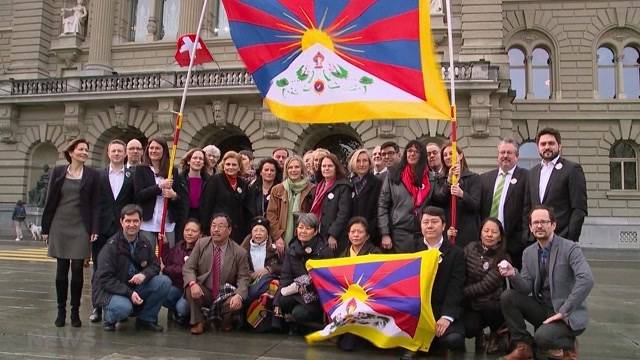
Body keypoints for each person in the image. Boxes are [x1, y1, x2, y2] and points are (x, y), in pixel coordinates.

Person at [499, 206, 594, 359]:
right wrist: (513, 274)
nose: (539, 226)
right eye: (535, 223)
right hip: (543, 308)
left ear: (553, 225)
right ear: (530, 227)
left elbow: (587, 279)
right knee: (508, 296)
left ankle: (568, 344)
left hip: (566, 313)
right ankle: (524, 346)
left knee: (542, 337)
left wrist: (565, 310)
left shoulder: (570, 248)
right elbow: (525, 288)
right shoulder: (528, 252)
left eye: (544, 221)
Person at [42, 138, 100, 328]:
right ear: (71, 152)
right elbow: (50, 199)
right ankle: (61, 312)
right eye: (81, 149)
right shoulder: (59, 171)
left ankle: (75, 312)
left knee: (77, 271)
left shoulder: (92, 174)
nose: (84, 152)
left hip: (81, 226)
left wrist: (94, 228)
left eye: (86, 150)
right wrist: (45, 227)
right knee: (61, 271)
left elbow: (95, 204)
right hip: (60, 224)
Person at [92, 204, 172, 332]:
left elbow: (155, 265)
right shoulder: (111, 246)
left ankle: (146, 319)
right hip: (113, 291)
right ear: (121, 222)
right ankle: (110, 317)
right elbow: (105, 279)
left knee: (164, 282)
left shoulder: (144, 242)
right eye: (128, 221)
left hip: (133, 288)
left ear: (141, 222)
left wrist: (144, 275)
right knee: (123, 308)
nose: (132, 225)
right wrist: (129, 293)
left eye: (135, 221)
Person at [403, 206, 465, 359]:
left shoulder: (456, 253)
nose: (429, 226)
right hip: (416, 311)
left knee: (454, 339)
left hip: (441, 309)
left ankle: (437, 344)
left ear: (443, 226)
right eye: (425, 222)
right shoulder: (411, 248)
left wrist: (447, 316)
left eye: (434, 222)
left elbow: (456, 287)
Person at [183, 213, 250, 335]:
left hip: (225, 293)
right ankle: (199, 322)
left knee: (234, 303)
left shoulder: (240, 252)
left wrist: (239, 295)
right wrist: (193, 283)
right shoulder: (201, 244)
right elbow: (188, 268)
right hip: (206, 291)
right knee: (189, 288)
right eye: (213, 226)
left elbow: (244, 278)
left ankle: (226, 321)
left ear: (229, 230)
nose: (216, 230)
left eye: (220, 226)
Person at [91, 139, 135, 323]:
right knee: (98, 268)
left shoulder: (131, 176)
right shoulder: (98, 175)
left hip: (122, 230)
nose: (116, 154)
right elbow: (93, 203)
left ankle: (118, 304)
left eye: (119, 151)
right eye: (113, 151)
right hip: (101, 229)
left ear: (125, 154)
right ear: (108, 153)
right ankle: (97, 307)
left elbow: (133, 201)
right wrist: (92, 227)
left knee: (122, 267)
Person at [273, 213, 332, 331]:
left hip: (316, 296)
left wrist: (300, 285)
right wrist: (276, 303)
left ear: (315, 232)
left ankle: (316, 326)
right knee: (282, 301)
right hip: (298, 293)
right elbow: (285, 277)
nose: (303, 231)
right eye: (300, 227)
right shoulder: (292, 249)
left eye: (308, 228)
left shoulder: (324, 251)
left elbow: (325, 281)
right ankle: (296, 323)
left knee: (298, 313)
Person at [528, 128, 587, 242]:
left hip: (562, 239)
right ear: (538, 148)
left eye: (551, 143)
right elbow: (528, 207)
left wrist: (570, 239)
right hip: (535, 241)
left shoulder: (572, 170)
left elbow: (579, 208)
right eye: (543, 144)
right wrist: (528, 236)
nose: (547, 147)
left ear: (559, 146)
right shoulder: (532, 173)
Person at [479, 138, 530, 269]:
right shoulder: (485, 178)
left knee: (513, 282)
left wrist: (523, 239)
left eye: (509, 153)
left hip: (514, 244)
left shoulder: (527, 177)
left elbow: (527, 209)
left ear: (517, 157)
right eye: (502, 153)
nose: (505, 156)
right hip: (488, 242)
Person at [462, 218, 510, 354]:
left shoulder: (503, 258)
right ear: (480, 232)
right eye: (486, 230)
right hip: (472, 304)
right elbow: (460, 271)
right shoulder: (470, 248)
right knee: (468, 328)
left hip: (491, 304)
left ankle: (497, 333)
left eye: (494, 232)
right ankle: (479, 334)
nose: (489, 235)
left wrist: (462, 292)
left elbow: (485, 286)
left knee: (491, 307)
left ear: (500, 237)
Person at [378, 140, 436, 253]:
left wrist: (449, 182)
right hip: (399, 233)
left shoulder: (431, 177)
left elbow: (439, 198)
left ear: (422, 155)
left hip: (424, 233)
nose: (412, 154)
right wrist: (385, 233)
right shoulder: (394, 175)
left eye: (416, 151)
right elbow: (382, 205)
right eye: (409, 151)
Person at [337, 217, 381, 351]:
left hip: (368, 297)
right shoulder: (343, 255)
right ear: (348, 234)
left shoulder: (375, 253)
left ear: (367, 236)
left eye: (360, 232)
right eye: (352, 231)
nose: (356, 235)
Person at [134, 137, 182, 251]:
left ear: (164, 151)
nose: (153, 151)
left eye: (157, 148)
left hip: (166, 223)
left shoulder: (172, 171)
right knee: (147, 254)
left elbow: (179, 197)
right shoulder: (141, 170)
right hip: (147, 222)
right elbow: (139, 195)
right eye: (151, 148)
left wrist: (173, 195)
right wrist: (159, 186)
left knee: (168, 255)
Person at [240, 217, 283, 331]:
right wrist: (250, 274)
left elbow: (285, 267)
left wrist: (269, 269)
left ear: (267, 233)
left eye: (262, 230)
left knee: (270, 283)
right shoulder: (242, 249)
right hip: (249, 282)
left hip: (269, 282)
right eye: (255, 230)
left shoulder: (276, 249)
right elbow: (238, 269)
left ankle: (266, 324)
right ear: (251, 232)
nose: (258, 234)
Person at [266, 155, 315, 256]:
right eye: (290, 167)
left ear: (302, 169)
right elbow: (271, 215)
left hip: (305, 236)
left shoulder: (312, 189)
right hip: (282, 237)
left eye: (297, 167)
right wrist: (277, 237)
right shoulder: (277, 189)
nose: (294, 170)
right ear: (286, 170)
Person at [200, 151, 251, 244]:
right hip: (218, 230)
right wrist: (204, 229)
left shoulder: (243, 183)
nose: (230, 167)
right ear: (223, 166)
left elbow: (246, 208)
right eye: (228, 164)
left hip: (238, 231)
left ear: (239, 167)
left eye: (234, 165)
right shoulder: (215, 180)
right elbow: (206, 206)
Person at [439, 142, 481, 249]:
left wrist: (462, 194)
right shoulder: (440, 180)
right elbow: (439, 202)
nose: (448, 157)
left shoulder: (473, 178)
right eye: (445, 155)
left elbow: (476, 205)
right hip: (448, 229)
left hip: (467, 232)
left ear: (460, 155)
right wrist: (448, 182)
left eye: (451, 153)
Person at [310, 153, 353, 255]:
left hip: (335, 237)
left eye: (330, 166)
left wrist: (333, 234)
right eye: (324, 166)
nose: (326, 168)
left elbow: (343, 213)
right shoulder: (319, 186)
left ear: (336, 168)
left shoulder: (343, 186)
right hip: (319, 232)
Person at [162, 218, 201, 325]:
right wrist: (165, 245)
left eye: (194, 231)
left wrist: (166, 269)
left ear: (200, 234)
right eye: (187, 230)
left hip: (191, 290)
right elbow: (168, 261)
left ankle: (188, 314)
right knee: (162, 293)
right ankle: (176, 311)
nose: (189, 233)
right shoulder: (179, 245)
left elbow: (186, 270)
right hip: (178, 287)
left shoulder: (201, 249)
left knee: (182, 308)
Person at [348, 149, 382, 245]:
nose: (362, 164)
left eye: (365, 160)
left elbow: (379, 210)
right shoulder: (348, 184)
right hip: (352, 235)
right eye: (358, 161)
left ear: (369, 162)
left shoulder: (378, 183)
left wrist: (367, 231)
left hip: (371, 234)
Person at [179, 148, 209, 221]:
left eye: (201, 159)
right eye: (195, 158)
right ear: (188, 161)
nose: (198, 161)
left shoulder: (209, 181)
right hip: (183, 217)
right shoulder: (179, 179)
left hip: (201, 218)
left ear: (203, 163)